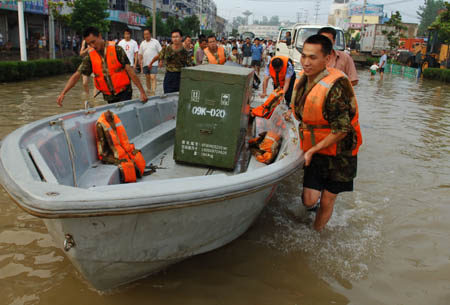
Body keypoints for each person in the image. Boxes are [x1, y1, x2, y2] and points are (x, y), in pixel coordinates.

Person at [290, 34, 362, 232]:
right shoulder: (303, 81)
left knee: (327, 201)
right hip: (317, 147)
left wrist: (312, 150)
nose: (306, 62)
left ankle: (317, 233)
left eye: (312, 57)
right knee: (308, 200)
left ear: (327, 58)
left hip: (341, 152)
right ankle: (314, 210)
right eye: (304, 56)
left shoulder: (336, 86)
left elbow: (342, 129)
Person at [57, 27, 147, 106]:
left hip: (124, 92)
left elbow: (130, 71)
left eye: (93, 42)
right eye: (89, 44)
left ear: (99, 36)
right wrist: (63, 93)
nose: (92, 45)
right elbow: (77, 75)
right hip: (108, 97)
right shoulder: (90, 57)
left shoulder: (117, 50)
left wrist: (142, 92)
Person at [150, 29, 193, 93]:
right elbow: (159, 56)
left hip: (180, 76)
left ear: (181, 38)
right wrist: (151, 63)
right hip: (169, 76)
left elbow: (190, 65)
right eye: (173, 37)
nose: (175, 39)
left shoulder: (184, 52)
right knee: (167, 97)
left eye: (177, 37)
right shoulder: (167, 48)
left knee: (179, 97)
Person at [139, 28, 162, 96]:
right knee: (147, 78)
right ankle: (149, 91)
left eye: (147, 34)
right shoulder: (142, 43)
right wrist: (140, 62)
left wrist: (160, 61)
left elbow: (161, 52)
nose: (146, 35)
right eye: (144, 34)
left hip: (154, 63)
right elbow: (140, 54)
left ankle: (153, 92)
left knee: (153, 77)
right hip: (145, 63)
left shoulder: (155, 42)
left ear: (150, 34)